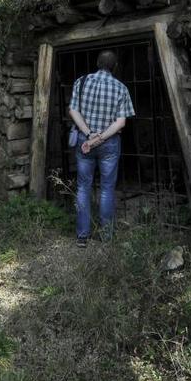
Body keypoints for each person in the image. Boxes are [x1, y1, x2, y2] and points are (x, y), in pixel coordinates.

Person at [68, 50, 135, 247]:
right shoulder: (121, 88)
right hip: (109, 144)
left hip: (84, 142)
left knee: (83, 187)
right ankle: (106, 237)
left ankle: (82, 237)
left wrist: (89, 135)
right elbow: (120, 123)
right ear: (115, 66)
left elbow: (73, 110)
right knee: (106, 189)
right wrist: (101, 137)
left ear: (98, 63)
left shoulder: (81, 82)